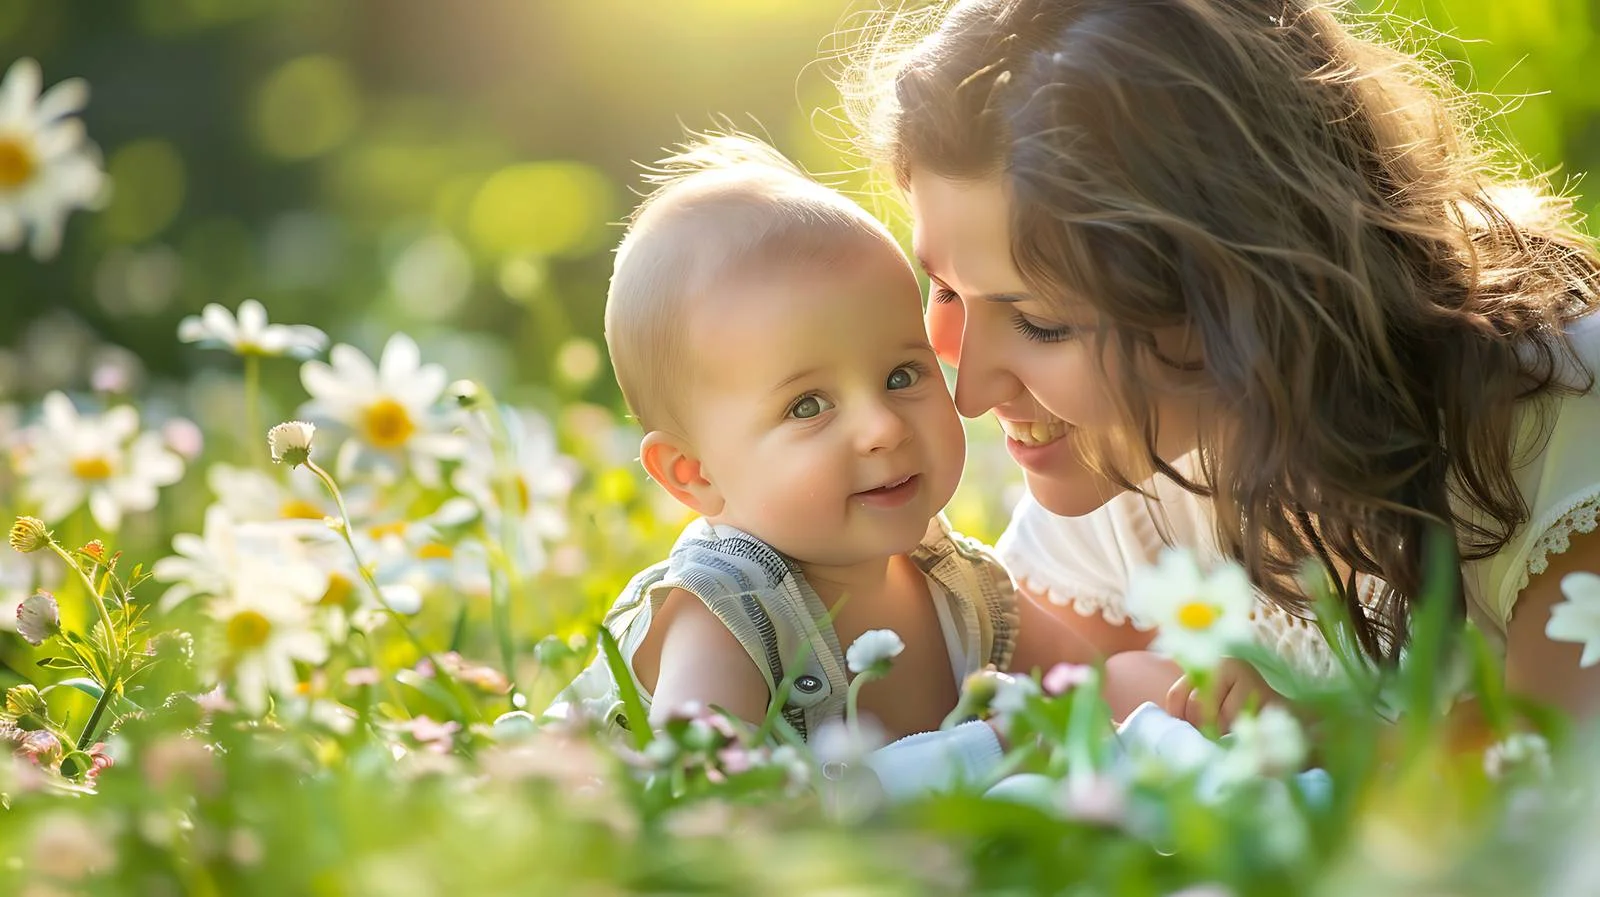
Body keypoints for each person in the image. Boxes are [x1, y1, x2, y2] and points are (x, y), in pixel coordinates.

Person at [843, 0, 1600, 725]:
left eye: (1042, 323)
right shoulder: (1126, 452)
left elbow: (1557, 780)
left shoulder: (1549, 420)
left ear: (1244, 292)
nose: (970, 390)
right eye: (946, 288)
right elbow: (994, 710)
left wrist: (1312, 741)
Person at [549, 133, 1019, 746]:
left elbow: (1085, 697)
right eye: (808, 406)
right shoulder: (723, 618)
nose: (882, 427)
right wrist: (980, 753)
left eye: (902, 375)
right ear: (694, 473)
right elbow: (711, 787)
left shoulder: (963, 586)